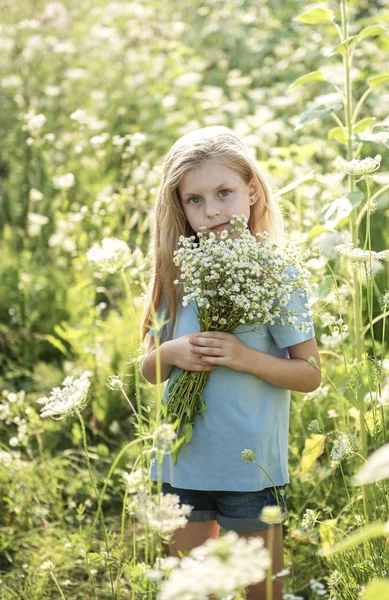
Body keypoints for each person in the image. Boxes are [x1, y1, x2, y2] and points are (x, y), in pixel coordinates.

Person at [139, 125, 321, 600]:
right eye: (195, 200)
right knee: (187, 591)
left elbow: (310, 375)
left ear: (252, 190)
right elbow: (148, 370)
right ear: (180, 206)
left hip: (250, 469)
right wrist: (172, 353)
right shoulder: (177, 273)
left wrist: (244, 357)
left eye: (225, 192)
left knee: (261, 592)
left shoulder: (276, 271)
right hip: (180, 466)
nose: (213, 210)